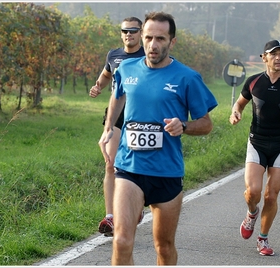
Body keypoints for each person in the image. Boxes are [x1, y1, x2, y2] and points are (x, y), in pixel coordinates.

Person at [99, 11, 218, 265]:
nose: (153, 45)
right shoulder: (127, 67)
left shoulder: (187, 78)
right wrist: (108, 127)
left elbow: (207, 124)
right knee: (121, 242)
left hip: (166, 173)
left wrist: (183, 126)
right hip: (130, 168)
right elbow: (118, 94)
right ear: (142, 37)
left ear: (172, 42)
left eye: (161, 39)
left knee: (163, 248)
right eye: (149, 37)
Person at [229, 40, 280, 256]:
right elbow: (240, 104)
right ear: (264, 58)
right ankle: (252, 213)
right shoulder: (254, 82)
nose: (278, 58)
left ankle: (262, 239)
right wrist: (236, 112)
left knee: (271, 195)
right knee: (253, 192)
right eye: (274, 54)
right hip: (257, 142)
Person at [89, 17, 146, 237]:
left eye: (133, 31)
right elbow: (105, 75)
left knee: (136, 166)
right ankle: (111, 217)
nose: (128, 34)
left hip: (141, 116)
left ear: (140, 33)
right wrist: (98, 87)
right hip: (115, 115)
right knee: (110, 164)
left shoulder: (147, 56)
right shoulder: (113, 55)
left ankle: (137, 206)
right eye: (125, 31)